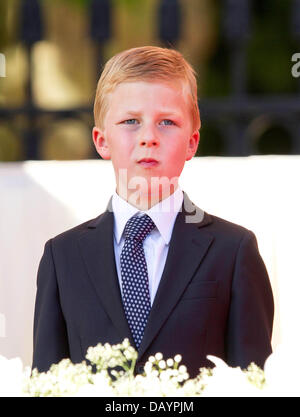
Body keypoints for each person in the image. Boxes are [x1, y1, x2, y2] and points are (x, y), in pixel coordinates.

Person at [32, 46, 274, 378]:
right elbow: (46, 381)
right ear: (102, 141)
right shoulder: (62, 258)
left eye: (167, 122)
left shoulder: (233, 252)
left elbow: (253, 382)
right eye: (131, 121)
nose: (148, 137)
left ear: (192, 142)